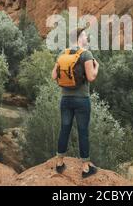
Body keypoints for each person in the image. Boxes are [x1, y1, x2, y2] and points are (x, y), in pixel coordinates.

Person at [51, 27, 100, 178]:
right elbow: (91, 77)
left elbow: (53, 75)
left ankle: (59, 163)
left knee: (64, 128)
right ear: (79, 38)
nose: (87, 38)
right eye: (85, 35)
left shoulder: (63, 53)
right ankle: (85, 167)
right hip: (81, 100)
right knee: (83, 131)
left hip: (65, 99)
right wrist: (96, 67)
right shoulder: (86, 54)